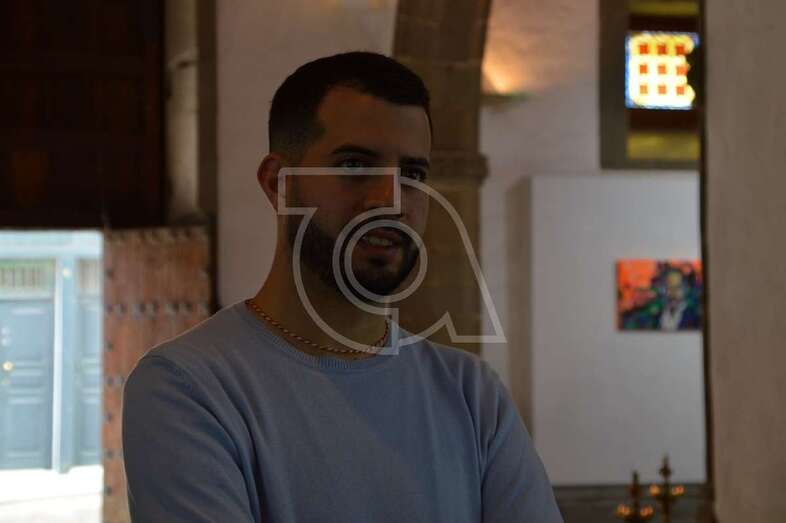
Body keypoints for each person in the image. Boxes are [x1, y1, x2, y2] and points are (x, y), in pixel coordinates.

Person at [122, 51, 563, 523]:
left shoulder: (473, 397)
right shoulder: (190, 388)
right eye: (355, 165)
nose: (390, 200)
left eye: (412, 175)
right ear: (278, 184)